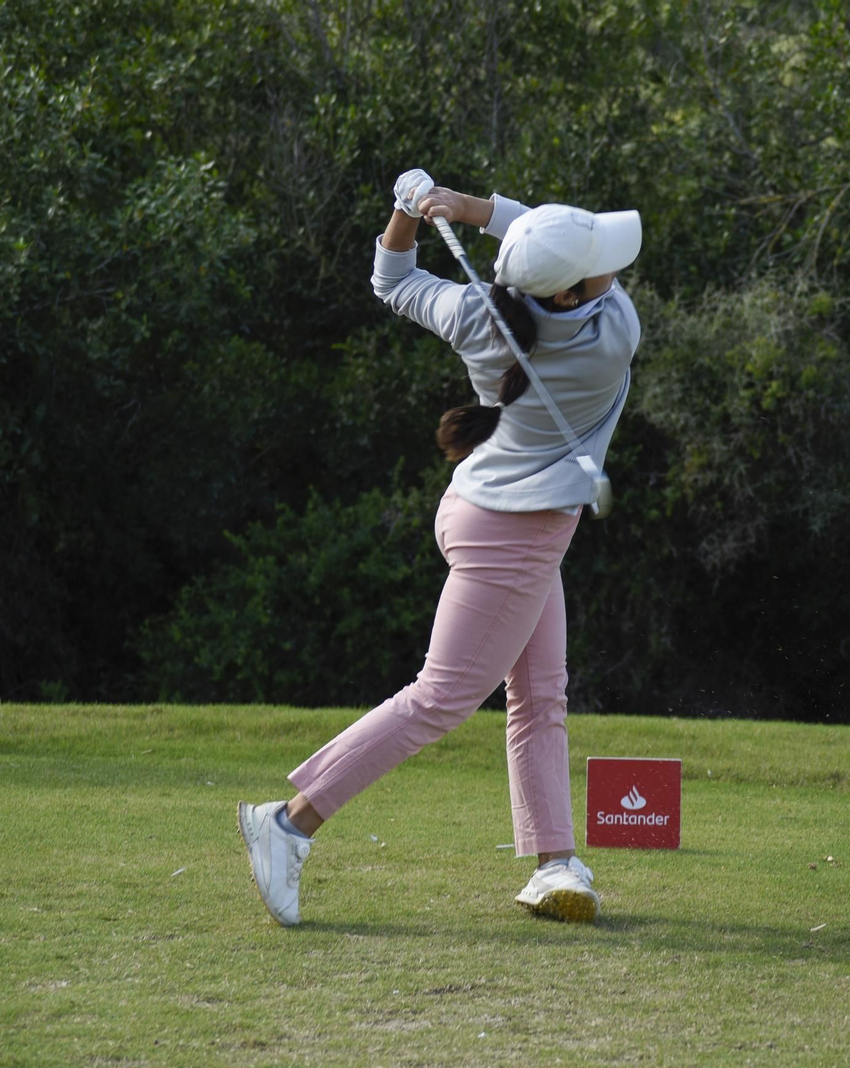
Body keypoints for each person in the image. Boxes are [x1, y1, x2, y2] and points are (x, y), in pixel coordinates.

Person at [238, 168, 642, 926]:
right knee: (443, 696)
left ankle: (556, 862)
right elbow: (539, 237)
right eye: (595, 263)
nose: (609, 266)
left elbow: (391, 279)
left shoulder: (477, 315)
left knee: (540, 692)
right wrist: (475, 210)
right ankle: (288, 824)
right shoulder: (612, 334)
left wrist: (412, 210)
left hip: (484, 510)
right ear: (566, 296)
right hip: (515, 537)